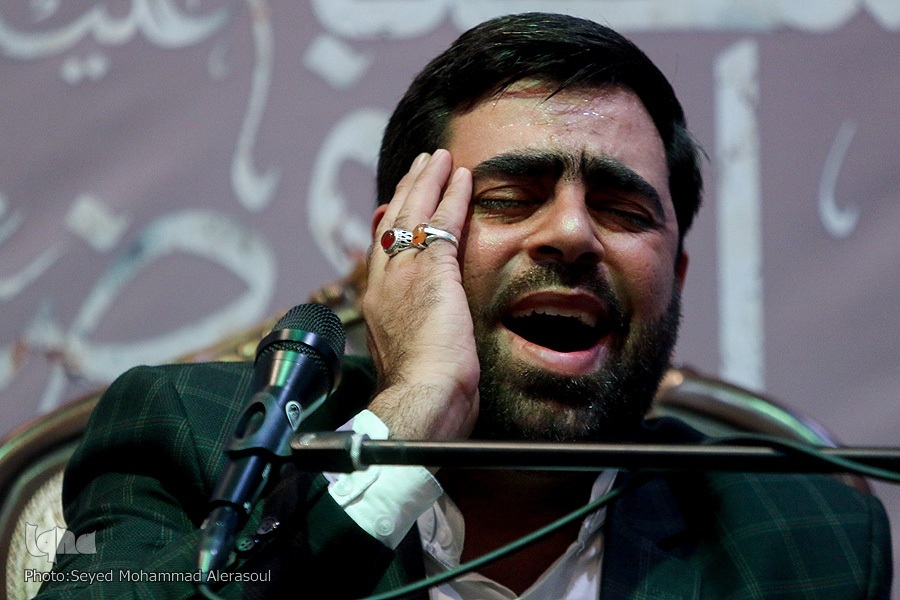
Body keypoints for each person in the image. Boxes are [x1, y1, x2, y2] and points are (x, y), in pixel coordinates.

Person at [36, 12, 891, 600]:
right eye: (510, 198)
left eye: (623, 211)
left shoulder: (804, 535)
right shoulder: (193, 440)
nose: (572, 235)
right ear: (403, 243)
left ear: (678, 274)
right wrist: (415, 412)